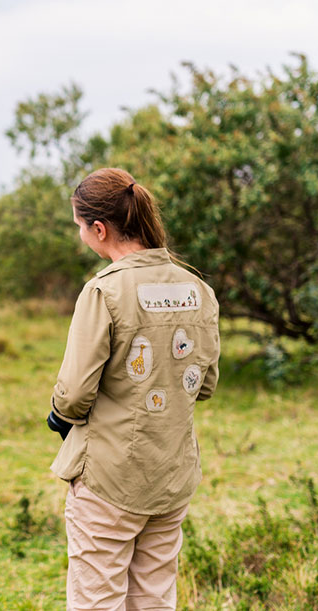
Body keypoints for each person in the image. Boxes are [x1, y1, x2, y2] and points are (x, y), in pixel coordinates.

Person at [46, 168, 220, 610]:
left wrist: (59, 417)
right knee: (155, 598)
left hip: (110, 476)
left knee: (97, 599)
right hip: (172, 473)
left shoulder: (103, 291)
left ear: (99, 228)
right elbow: (206, 384)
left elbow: (73, 394)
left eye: (79, 226)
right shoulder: (199, 289)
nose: (80, 234)